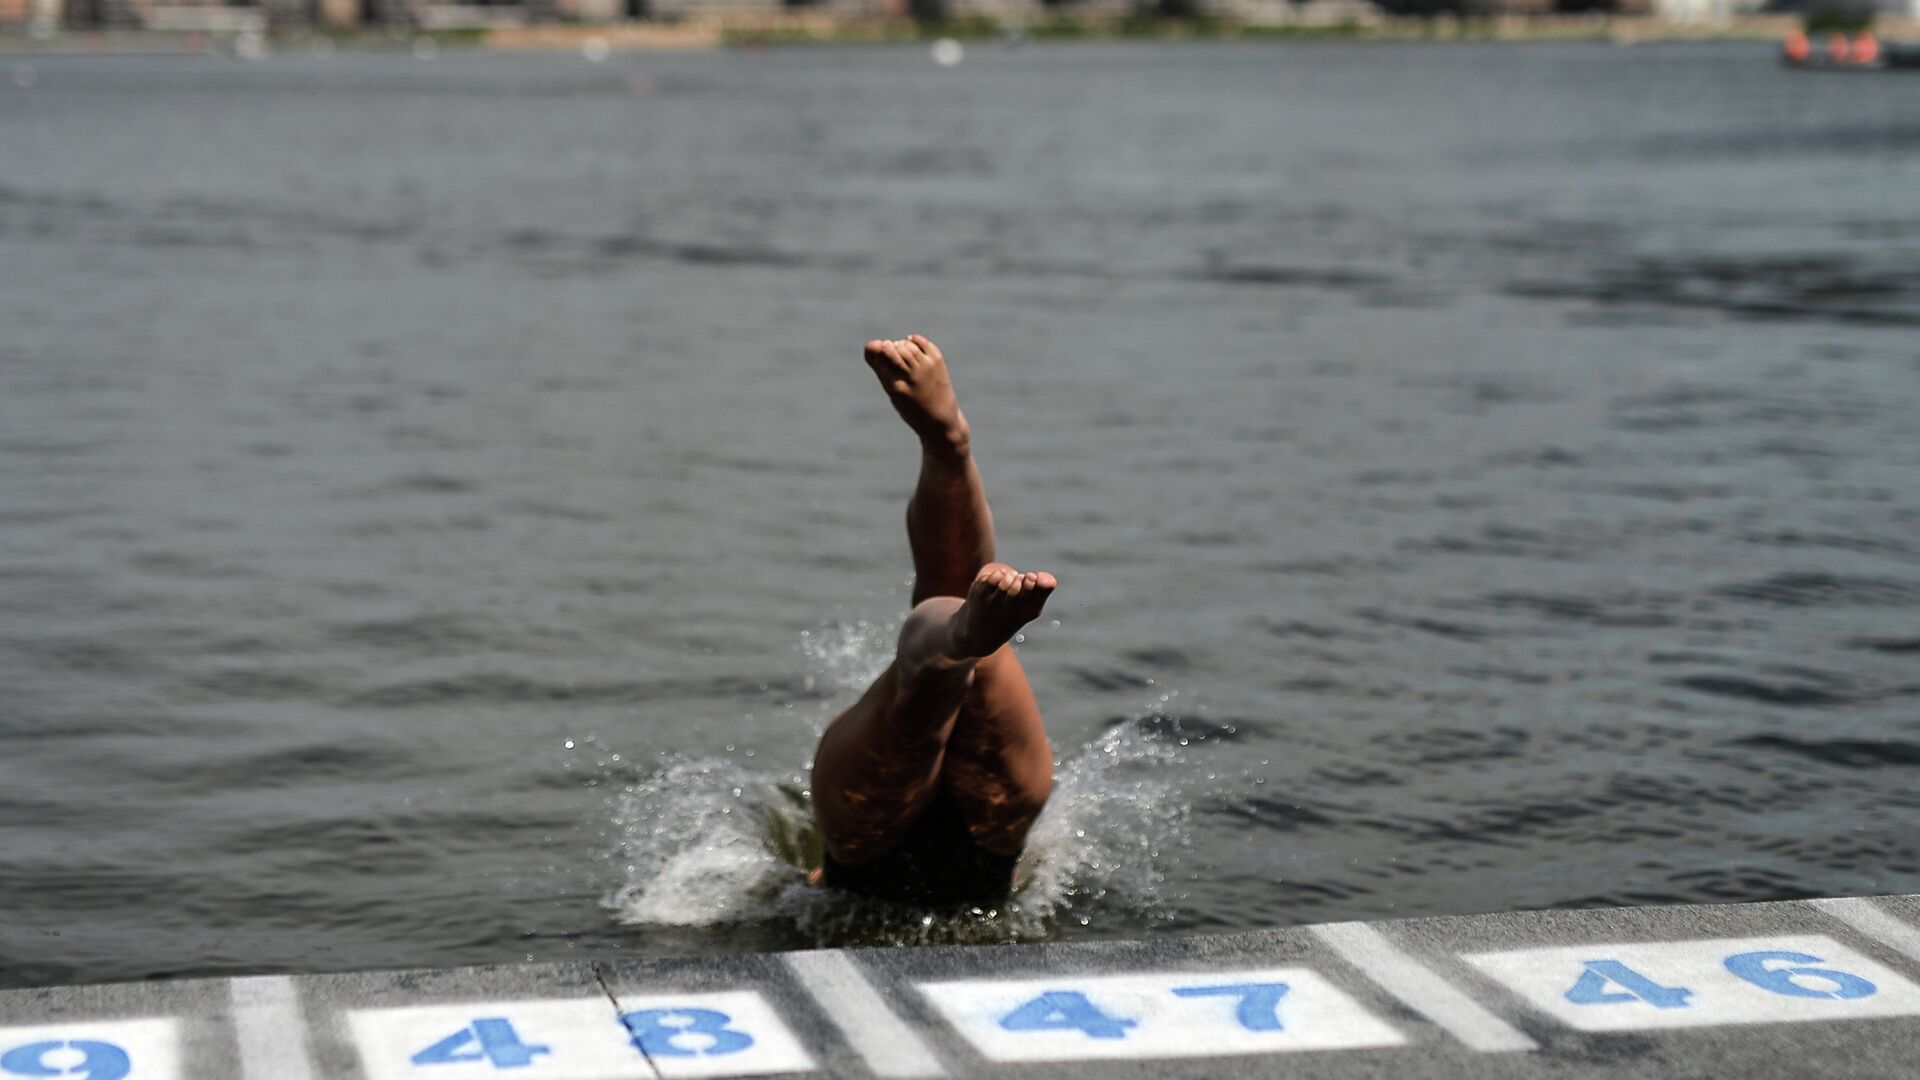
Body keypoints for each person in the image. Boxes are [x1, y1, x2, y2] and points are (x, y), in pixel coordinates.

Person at [807, 335, 1057, 908]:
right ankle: (949, 449)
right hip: (989, 856)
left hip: (864, 857)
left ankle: (968, 636)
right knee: (930, 664)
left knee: (926, 675)